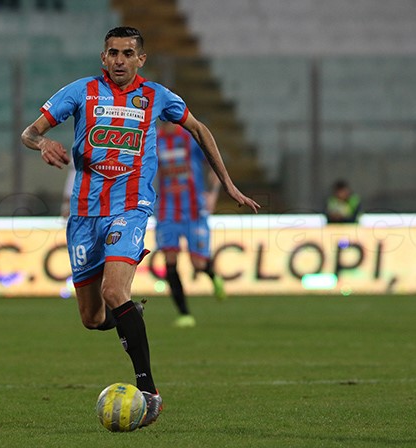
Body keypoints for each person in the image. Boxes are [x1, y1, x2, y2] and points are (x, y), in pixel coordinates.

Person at [20, 26, 260, 427]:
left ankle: (149, 391)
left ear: (140, 59)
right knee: (93, 318)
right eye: (113, 53)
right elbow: (29, 132)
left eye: (127, 53)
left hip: (131, 207)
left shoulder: (156, 96)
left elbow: (199, 129)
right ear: (103, 57)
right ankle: (130, 314)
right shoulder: (80, 92)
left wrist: (229, 185)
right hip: (84, 214)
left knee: (114, 290)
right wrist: (43, 143)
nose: (119, 60)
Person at [155, 120, 226, 329]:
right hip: (167, 209)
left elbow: (214, 164)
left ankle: (213, 275)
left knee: (198, 264)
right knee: (169, 259)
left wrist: (212, 195)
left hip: (193, 208)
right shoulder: (154, 139)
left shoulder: (189, 137)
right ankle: (184, 313)